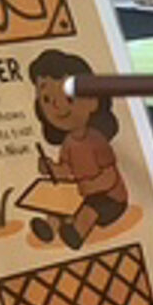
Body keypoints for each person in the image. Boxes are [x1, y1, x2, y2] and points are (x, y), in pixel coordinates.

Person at [27, 49, 127, 248]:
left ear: (93, 101)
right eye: (46, 100)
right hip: (83, 193)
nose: (57, 107)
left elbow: (110, 176)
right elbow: (66, 170)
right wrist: (52, 169)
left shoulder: (97, 141)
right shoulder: (68, 144)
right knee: (60, 203)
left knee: (90, 209)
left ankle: (76, 233)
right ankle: (50, 227)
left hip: (110, 199)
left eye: (68, 98)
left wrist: (92, 186)